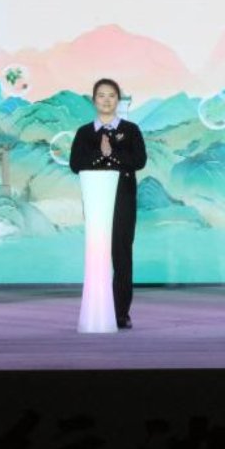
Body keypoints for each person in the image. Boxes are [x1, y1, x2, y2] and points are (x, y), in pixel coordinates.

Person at [68, 78, 148, 328]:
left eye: (111, 95)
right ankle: (98, 308)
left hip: (123, 200)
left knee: (122, 253)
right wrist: (100, 155)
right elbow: (75, 163)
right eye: (101, 95)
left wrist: (111, 154)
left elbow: (139, 160)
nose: (106, 100)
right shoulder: (84, 132)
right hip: (96, 202)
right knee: (98, 254)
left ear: (118, 100)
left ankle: (121, 312)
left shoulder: (131, 130)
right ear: (94, 100)